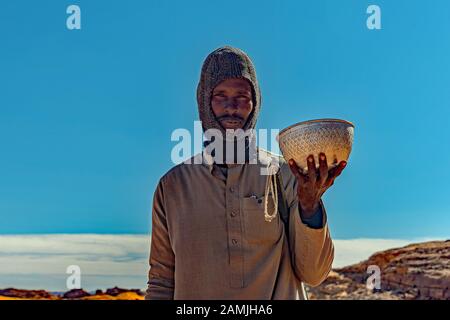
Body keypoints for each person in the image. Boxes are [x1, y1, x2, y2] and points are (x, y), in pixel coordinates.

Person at [145, 46, 347, 300]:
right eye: (220, 95)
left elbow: (314, 274)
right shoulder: (173, 186)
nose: (232, 107)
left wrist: (310, 206)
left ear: (256, 103)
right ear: (204, 101)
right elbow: (162, 282)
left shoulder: (287, 175)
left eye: (242, 95)